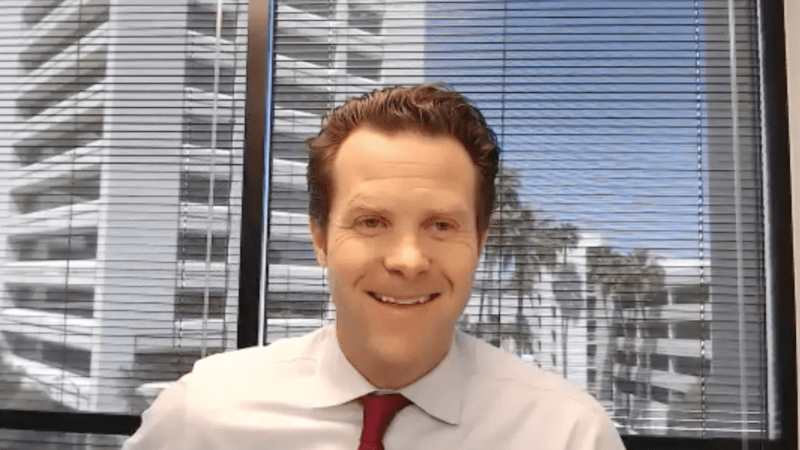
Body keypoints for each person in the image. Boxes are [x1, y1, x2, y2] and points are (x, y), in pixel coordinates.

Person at [122, 84, 625, 449]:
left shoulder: (568, 434)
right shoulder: (203, 415)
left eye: (441, 225)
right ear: (320, 239)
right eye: (370, 222)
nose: (407, 260)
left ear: (480, 241)